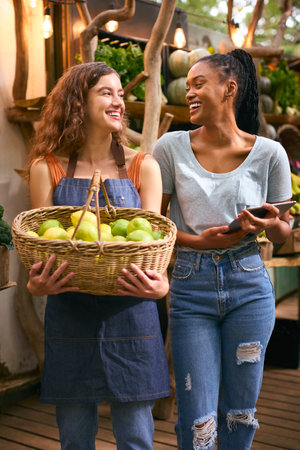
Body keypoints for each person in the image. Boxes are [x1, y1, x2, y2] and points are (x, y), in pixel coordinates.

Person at [25, 61, 170, 450]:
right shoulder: (48, 168)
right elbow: (40, 245)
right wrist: (36, 282)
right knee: (74, 439)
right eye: (106, 92)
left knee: (137, 438)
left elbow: (154, 244)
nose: (118, 101)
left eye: (121, 93)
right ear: (78, 102)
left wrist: (162, 284)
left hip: (132, 312)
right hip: (70, 312)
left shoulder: (144, 166)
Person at [153, 49, 292, 450]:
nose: (189, 92)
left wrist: (269, 225)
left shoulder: (270, 153)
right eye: (188, 85)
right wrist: (198, 240)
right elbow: (154, 224)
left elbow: (284, 231)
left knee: (240, 412)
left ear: (229, 88)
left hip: (249, 284)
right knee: (197, 415)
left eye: (199, 84)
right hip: (190, 287)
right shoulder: (170, 147)